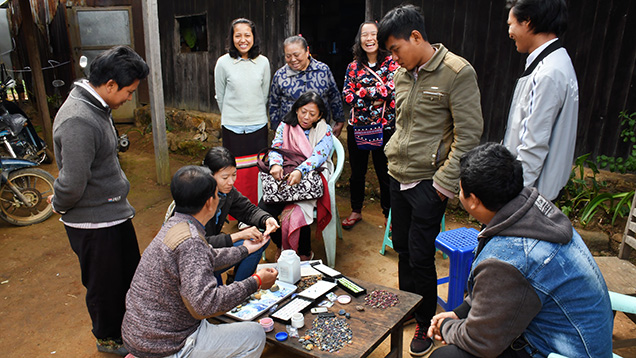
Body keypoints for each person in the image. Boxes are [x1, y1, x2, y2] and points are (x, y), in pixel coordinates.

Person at [427, 143, 613, 358]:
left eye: (460, 190)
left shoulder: (508, 258)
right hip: (580, 337)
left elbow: (480, 341)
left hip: (564, 351)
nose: (458, 194)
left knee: (445, 356)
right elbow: (503, 292)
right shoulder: (530, 208)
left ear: (475, 201)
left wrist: (447, 327)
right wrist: (460, 313)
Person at [378, 5, 484, 356]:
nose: (394, 58)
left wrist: (443, 183)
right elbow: (402, 125)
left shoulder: (457, 72)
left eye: (395, 49)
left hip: (429, 183)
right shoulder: (402, 75)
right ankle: (407, 308)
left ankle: (425, 321)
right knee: (403, 249)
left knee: (422, 256)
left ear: (417, 37)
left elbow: (469, 135)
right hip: (398, 177)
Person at [48, 45, 149, 356]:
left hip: (113, 212)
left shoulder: (97, 107)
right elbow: (72, 182)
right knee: (105, 286)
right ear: (110, 85)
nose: (130, 98)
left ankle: (129, 329)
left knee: (128, 278)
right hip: (93, 222)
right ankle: (108, 338)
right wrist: (58, 203)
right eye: (129, 91)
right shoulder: (78, 120)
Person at [122, 165, 277, 358]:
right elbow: (206, 304)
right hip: (166, 344)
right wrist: (256, 282)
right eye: (216, 195)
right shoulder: (191, 241)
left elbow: (206, 257)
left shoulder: (175, 224)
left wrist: (245, 249)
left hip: (141, 334)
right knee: (254, 335)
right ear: (209, 203)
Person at [502, 0, 578, 201]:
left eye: (511, 24)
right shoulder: (558, 62)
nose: (509, 32)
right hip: (540, 191)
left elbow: (533, 145)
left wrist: (513, 200)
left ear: (527, 22)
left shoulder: (548, 73)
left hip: (530, 195)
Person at [259, 91, 334, 261]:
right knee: (262, 213)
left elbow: (318, 156)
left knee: (295, 212)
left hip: (308, 181)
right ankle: (282, 245)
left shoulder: (325, 130)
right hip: (284, 181)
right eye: (303, 112)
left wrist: (300, 171)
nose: (306, 117)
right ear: (297, 110)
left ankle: (303, 252)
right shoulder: (285, 126)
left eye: (312, 114)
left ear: (320, 115)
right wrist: (276, 164)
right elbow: (276, 147)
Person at [342, 21, 399, 229]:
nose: (369, 39)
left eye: (373, 34)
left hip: (384, 128)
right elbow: (347, 96)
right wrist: (375, 95)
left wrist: (362, 93)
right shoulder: (353, 66)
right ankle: (356, 210)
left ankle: (388, 214)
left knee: (385, 173)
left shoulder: (392, 63)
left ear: (380, 37)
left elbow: (392, 91)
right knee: (357, 174)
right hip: (357, 127)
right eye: (364, 35)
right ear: (360, 39)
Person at [202, 146, 280, 283]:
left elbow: (247, 210)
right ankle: (234, 292)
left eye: (234, 175)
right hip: (200, 261)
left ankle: (239, 287)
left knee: (258, 241)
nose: (231, 182)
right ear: (209, 175)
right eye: (225, 177)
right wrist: (239, 235)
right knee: (216, 295)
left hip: (213, 251)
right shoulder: (199, 199)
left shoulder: (226, 192)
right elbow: (201, 244)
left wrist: (266, 219)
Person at [214, 18, 270, 204]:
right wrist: (233, 115)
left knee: (257, 170)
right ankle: (236, 210)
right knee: (233, 170)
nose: (243, 40)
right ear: (232, 38)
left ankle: (258, 208)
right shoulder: (223, 63)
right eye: (238, 35)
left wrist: (252, 113)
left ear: (254, 37)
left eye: (247, 35)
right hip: (232, 126)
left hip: (258, 125)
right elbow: (220, 96)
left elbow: (264, 94)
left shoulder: (263, 62)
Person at [269, 35, 345, 137]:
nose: (293, 60)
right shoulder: (280, 75)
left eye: (296, 55)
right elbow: (274, 103)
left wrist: (339, 120)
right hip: (291, 132)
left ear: (307, 51)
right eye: (288, 56)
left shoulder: (323, 70)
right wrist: (276, 128)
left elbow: (334, 96)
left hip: (319, 130)